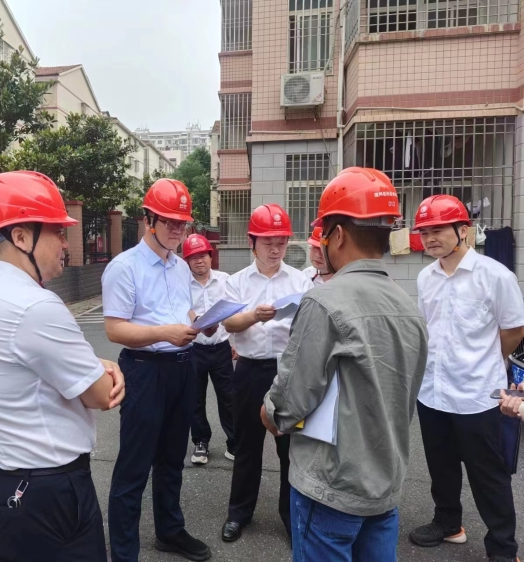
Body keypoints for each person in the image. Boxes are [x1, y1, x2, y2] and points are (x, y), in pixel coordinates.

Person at [0, 171, 125, 562]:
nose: (64, 243)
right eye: (57, 232)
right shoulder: (35, 306)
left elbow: (27, 363)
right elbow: (101, 394)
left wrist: (91, 362)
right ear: (21, 236)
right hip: (47, 492)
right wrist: (105, 368)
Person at [261, 167, 429, 562]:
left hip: (330, 487)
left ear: (337, 235)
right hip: (383, 487)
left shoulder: (325, 301)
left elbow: (289, 403)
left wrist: (269, 413)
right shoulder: (409, 307)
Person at [409, 194, 524, 562]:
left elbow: (513, 329)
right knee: (440, 466)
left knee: (488, 474)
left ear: (463, 230)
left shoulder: (495, 276)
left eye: (437, 230)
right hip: (433, 391)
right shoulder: (426, 277)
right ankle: (448, 523)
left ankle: (503, 548)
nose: (429, 238)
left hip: (477, 394)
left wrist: (486, 360)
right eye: (424, 232)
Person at [103, 179, 210, 562]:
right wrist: (166, 332)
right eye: (170, 222)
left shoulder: (180, 266)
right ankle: (124, 551)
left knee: (172, 458)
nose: (178, 230)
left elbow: (183, 310)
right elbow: (115, 329)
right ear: (149, 219)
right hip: (144, 371)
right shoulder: (124, 267)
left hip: (183, 367)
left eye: (183, 223)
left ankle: (169, 530)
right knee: (134, 465)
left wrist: (200, 321)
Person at [219, 204, 313, 543]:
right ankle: (238, 514)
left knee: (290, 448)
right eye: (268, 243)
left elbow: (310, 325)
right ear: (252, 242)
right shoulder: (236, 282)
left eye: (281, 242)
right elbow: (229, 323)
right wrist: (254, 317)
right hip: (248, 371)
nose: (275, 250)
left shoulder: (300, 280)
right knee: (247, 446)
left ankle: (291, 516)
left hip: (287, 373)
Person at [182, 233, 236, 465]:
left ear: (210, 256)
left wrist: (235, 342)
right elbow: (181, 309)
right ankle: (200, 442)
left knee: (229, 397)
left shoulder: (225, 280)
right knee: (195, 398)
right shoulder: (182, 284)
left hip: (221, 348)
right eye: (193, 257)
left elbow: (234, 310)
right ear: (187, 261)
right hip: (195, 349)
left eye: (203, 255)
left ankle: (234, 442)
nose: (199, 261)